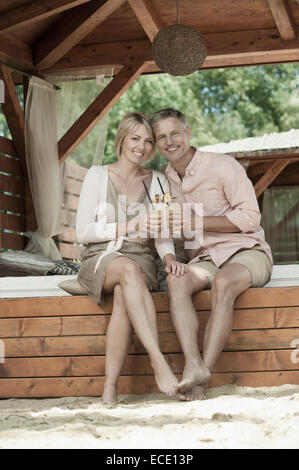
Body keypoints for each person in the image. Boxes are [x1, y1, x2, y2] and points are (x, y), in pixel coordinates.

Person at [151, 108, 273, 401]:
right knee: (176, 281)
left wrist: (197, 222)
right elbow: (162, 226)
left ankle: (202, 377)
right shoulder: (162, 181)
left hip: (246, 251)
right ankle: (193, 364)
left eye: (175, 133)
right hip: (203, 259)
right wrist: (170, 259)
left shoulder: (223, 166)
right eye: (162, 137)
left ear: (188, 133)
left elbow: (249, 218)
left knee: (223, 284)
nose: (170, 141)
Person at [76, 112, 187, 404]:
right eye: (135, 138)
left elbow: (162, 231)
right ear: (122, 139)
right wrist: (130, 226)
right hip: (101, 256)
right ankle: (158, 361)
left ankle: (109, 389)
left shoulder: (159, 181)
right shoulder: (97, 175)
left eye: (149, 141)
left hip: (141, 261)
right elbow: (83, 231)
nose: (142, 147)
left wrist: (168, 258)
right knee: (125, 269)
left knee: (126, 292)